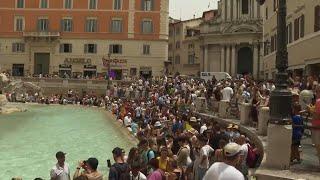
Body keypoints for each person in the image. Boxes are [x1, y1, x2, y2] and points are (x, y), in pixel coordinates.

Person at [310, 85, 320, 164]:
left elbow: (316, 116)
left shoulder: (318, 102)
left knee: (318, 147)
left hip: (317, 127)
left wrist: (311, 111)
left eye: (316, 92)